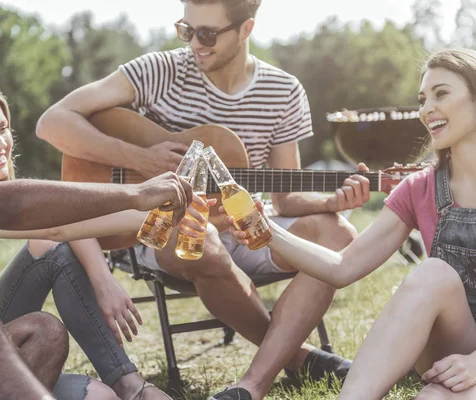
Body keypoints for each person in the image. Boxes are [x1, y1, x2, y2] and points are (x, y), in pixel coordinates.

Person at [36, 0, 369, 394]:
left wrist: (330, 203)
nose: (195, 43)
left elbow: (286, 200)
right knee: (202, 239)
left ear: (246, 30)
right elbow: (51, 122)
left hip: (246, 227)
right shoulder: (160, 70)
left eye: (208, 33)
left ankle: (255, 380)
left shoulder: (283, 91)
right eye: (186, 29)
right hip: (162, 232)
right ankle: (291, 359)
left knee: (339, 236)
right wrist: (139, 157)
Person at [0, 30, 192, 400]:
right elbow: (8, 206)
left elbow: (49, 223)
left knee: (44, 331)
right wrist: (136, 193)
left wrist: (165, 209)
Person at [221, 48, 476, 399]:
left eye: (441, 93)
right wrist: (267, 229)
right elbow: (343, 266)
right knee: (434, 274)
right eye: (422, 99)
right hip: (452, 343)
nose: (426, 108)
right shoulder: (419, 188)